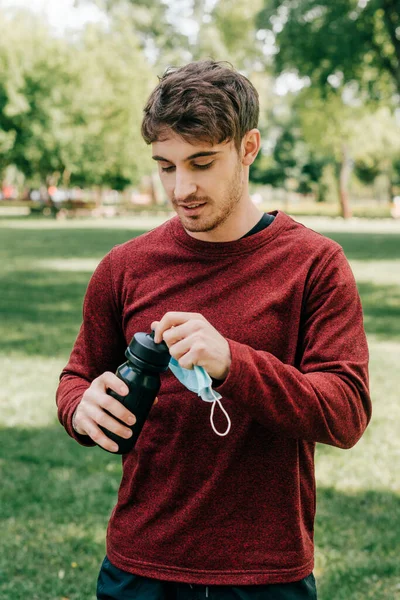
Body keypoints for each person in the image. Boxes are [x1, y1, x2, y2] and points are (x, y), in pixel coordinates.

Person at [56, 60, 371, 600]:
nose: (182, 188)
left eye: (202, 162)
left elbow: (345, 413)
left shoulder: (315, 265)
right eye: (165, 166)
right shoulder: (124, 266)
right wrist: (79, 406)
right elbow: (77, 375)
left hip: (266, 574)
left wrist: (234, 363)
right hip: (140, 564)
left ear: (248, 147)